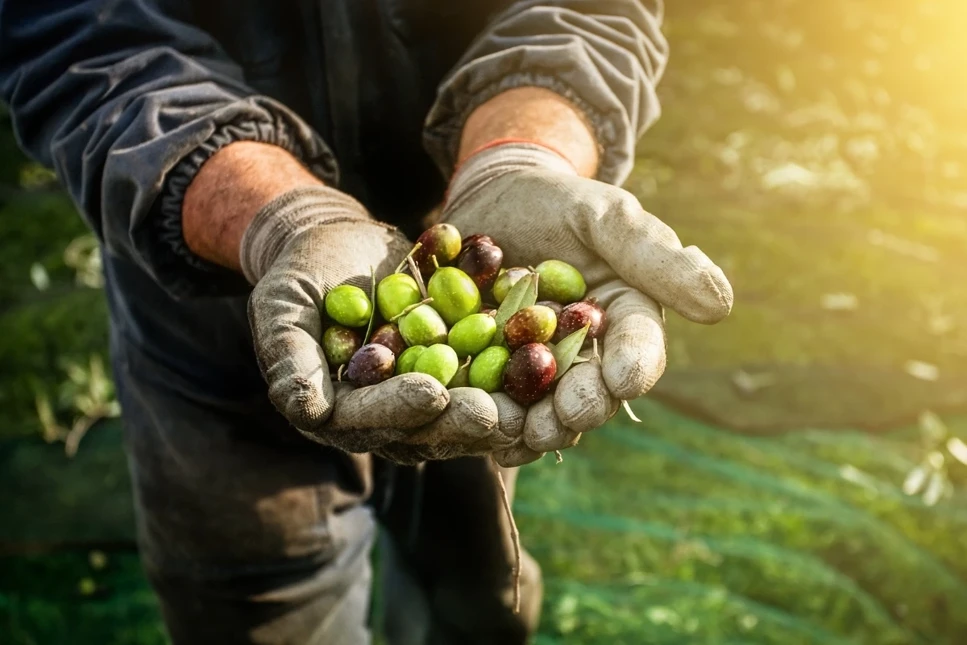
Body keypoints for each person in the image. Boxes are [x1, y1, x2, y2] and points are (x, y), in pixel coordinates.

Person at [0, 1, 732, 643]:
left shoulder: (475, 304)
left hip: (465, 231)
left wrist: (521, 154)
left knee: (478, 589)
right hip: (207, 305)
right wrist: (284, 219)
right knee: (255, 605)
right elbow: (81, 41)